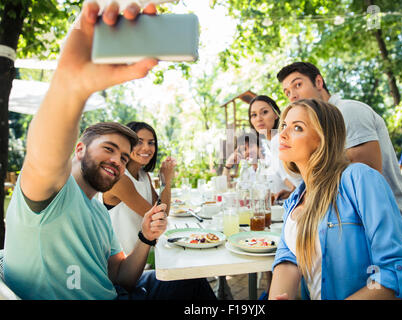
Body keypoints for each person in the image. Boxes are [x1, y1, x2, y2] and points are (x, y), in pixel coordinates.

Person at [3, 1, 216, 300]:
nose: (118, 160)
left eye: (124, 157)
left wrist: (145, 236)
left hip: (118, 292)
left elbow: (121, 276)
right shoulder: (51, 193)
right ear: (78, 149)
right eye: (109, 149)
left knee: (193, 279)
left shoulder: (98, 210)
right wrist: (71, 85)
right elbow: (43, 154)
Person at [269, 99, 402, 300]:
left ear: (323, 139)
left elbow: (394, 273)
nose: (283, 134)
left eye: (297, 127)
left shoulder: (359, 179)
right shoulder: (294, 202)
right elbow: (288, 262)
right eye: (284, 125)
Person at [277, 61, 402, 259]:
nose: (293, 96)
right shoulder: (316, 125)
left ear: (319, 82)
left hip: (396, 225)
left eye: (297, 85)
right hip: (355, 226)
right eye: (287, 92)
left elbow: (369, 177)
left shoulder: (348, 111)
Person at [101, 121, 176, 255]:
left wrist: (165, 181)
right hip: (124, 262)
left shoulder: (143, 175)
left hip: (144, 255)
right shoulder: (119, 178)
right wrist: (165, 180)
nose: (146, 148)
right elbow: (157, 217)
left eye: (151, 142)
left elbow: (163, 211)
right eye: (139, 142)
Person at [247, 95, 302, 200]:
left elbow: (296, 180)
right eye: (254, 115)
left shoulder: (279, 140)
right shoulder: (267, 144)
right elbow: (284, 176)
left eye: (264, 112)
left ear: (276, 114)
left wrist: (294, 191)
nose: (259, 119)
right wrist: (291, 192)